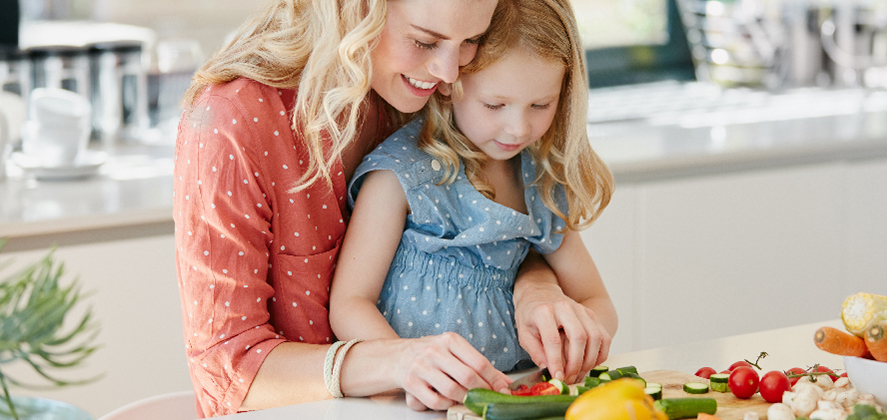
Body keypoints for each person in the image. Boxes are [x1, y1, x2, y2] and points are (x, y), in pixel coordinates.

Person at [172, 0, 609, 416]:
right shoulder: (231, 121)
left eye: (471, 40)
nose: (449, 73)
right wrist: (396, 361)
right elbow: (227, 367)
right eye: (424, 41)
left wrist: (535, 287)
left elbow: (492, 239)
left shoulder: (426, 91)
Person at [329, 0, 617, 381]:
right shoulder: (401, 175)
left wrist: (576, 334)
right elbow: (349, 304)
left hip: (516, 390)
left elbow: (598, 302)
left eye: (540, 105)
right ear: (450, 84)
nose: (518, 128)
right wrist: (405, 368)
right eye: (495, 105)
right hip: (412, 400)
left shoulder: (538, 181)